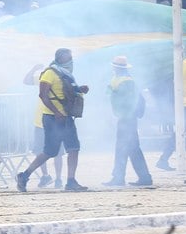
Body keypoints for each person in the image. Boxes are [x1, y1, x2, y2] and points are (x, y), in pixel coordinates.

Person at [16, 48, 90, 192]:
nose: (71, 61)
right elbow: (42, 95)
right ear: (60, 58)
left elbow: (68, 92)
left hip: (66, 117)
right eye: (69, 58)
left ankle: (71, 181)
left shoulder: (66, 74)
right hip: (52, 118)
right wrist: (56, 112)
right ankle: (24, 175)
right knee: (50, 151)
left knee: (74, 148)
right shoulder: (49, 73)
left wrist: (80, 89)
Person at [102, 56, 152, 187]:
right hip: (125, 118)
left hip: (126, 118)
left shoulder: (125, 81)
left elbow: (127, 102)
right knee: (132, 148)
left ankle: (119, 178)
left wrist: (120, 116)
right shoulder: (119, 79)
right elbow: (110, 94)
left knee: (123, 147)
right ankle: (144, 177)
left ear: (115, 68)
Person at [23, 63, 64, 188]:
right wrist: (34, 69)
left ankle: (57, 178)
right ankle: (47, 176)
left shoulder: (60, 79)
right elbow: (26, 81)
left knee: (56, 152)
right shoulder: (45, 77)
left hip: (52, 120)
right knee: (41, 150)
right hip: (42, 121)